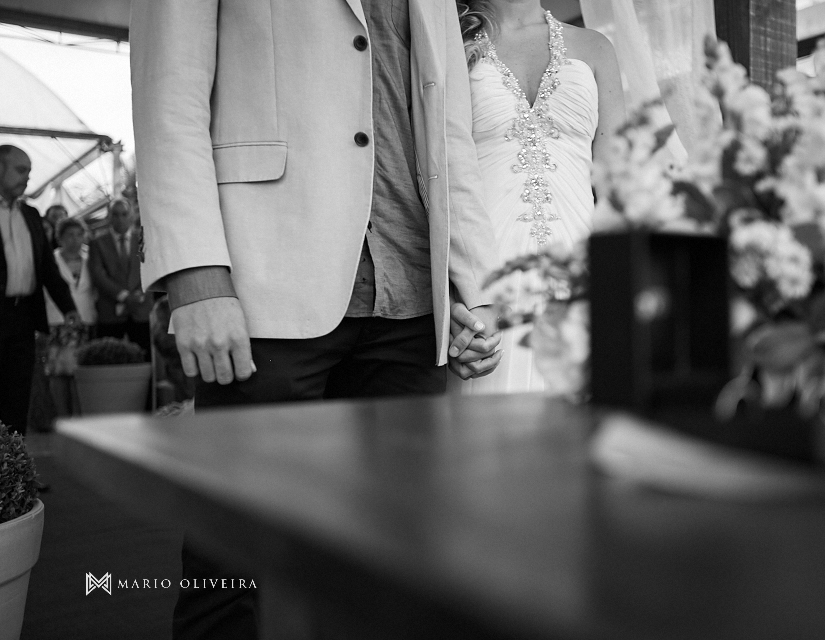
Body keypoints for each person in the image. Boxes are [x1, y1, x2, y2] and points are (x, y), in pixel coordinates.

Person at [129, 1, 505, 638]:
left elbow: (451, 133)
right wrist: (196, 278)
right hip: (268, 291)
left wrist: (476, 288)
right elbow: (170, 96)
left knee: (389, 568)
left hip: (410, 299)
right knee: (231, 570)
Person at [452, 0, 626, 394]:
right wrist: (452, 298)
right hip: (483, 284)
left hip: (582, 277)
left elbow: (620, 190)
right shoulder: (451, 46)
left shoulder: (596, 48)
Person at [0, 145, 79, 434]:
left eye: (30, 172)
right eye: (21, 170)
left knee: (18, 398)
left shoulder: (32, 215)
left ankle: (15, 477)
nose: (27, 178)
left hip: (23, 319)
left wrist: (68, 307)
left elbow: (48, 269)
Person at [44, 217, 97, 416]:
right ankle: (62, 417)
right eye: (69, 235)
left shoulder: (90, 258)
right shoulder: (51, 259)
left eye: (79, 235)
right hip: (57, 320)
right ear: (60, 238)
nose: (75, 240)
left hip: (85, 320)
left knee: (80, 372)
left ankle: (80, 417)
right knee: (58, 372)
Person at [87, 197, 152, 358]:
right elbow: (98, 274)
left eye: (124, 214)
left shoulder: (144, 239)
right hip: (110, 311)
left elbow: (151, 267)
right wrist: (123, 296)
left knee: (144, 357)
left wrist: (139, 294)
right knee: (109, 358)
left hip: (141, 308)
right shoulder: (97, 243)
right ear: (108, 217)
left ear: (132, 216)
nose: (120, 218)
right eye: (115, 214)